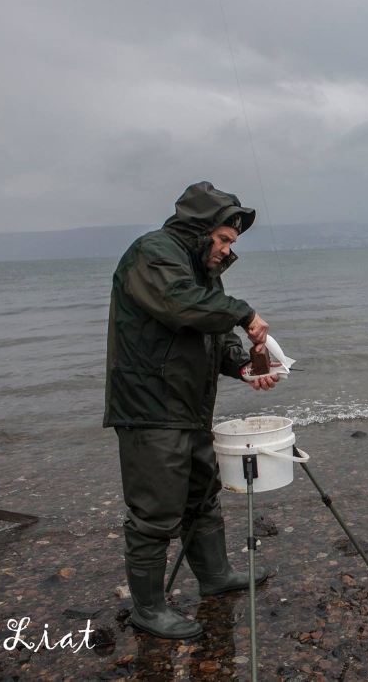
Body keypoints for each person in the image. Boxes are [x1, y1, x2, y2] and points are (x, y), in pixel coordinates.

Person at [104, 181, 281, 639]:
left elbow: (212, 333)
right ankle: (148, 608)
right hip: (150, 408)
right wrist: (243, 312)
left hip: (190, 409)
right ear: (200, 230)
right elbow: (181, 305)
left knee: (201, 497)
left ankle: (216, 577)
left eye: (231, 243)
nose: (225, 250)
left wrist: (244, 366)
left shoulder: (203, 271)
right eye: (222, 239)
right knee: (154, 514)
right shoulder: (153, 253)